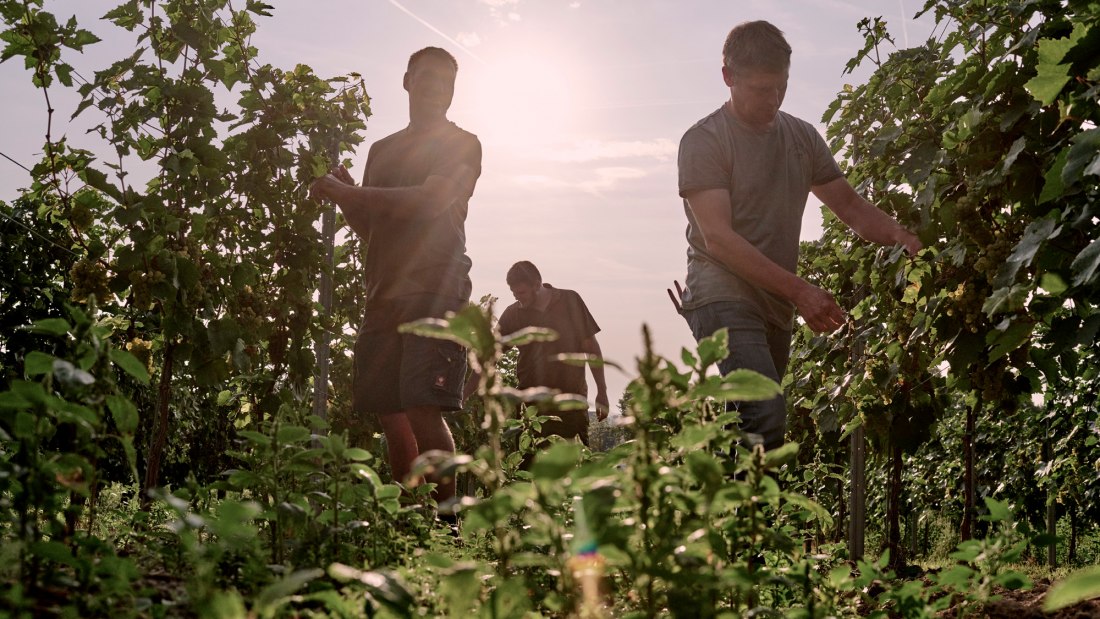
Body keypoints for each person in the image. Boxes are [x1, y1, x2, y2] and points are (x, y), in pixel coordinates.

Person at [676, 21, 921, 452]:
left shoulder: (803, 138)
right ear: (728, 77)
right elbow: (718, 239)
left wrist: (903, 237)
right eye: (759, 89)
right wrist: (803, 293)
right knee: (764, 410)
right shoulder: (704, 141)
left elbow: (852, 208)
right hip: (720, 292)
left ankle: (725, 509)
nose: (772, 101)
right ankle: (729, 507)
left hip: (774, 301)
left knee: (759, 433)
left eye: (781, 87)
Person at [310, 47, 481, 506]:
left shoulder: (463, 144)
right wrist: (347, 198)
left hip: (435, 285)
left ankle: (448, 522)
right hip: (384, 289)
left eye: (445, 81)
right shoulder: (382, 150)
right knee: (390, 410)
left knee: (423, 404)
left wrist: (355, 191)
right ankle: (410, 517)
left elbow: (430, 202)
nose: (435, 87)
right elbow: (371, 229)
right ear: (407, 81)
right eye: (426, 77)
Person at [496, 261, 609, 446]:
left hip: (571, 404)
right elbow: (490, 353)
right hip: (531, 409)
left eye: (522, 293)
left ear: (537, 284)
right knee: (530, 470)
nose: (518, 298)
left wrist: (602, 392)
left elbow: (591, 347)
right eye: (514, 293)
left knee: (574, 468)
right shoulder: (512, 314)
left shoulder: (570, 300)